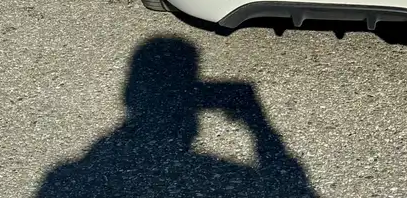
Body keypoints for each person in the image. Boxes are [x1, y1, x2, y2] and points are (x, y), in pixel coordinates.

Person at [38, 37, 316, 197]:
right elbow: (292, 189)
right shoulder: (222, 174)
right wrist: (258, 124)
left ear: (130, 94)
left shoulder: (65, 176)